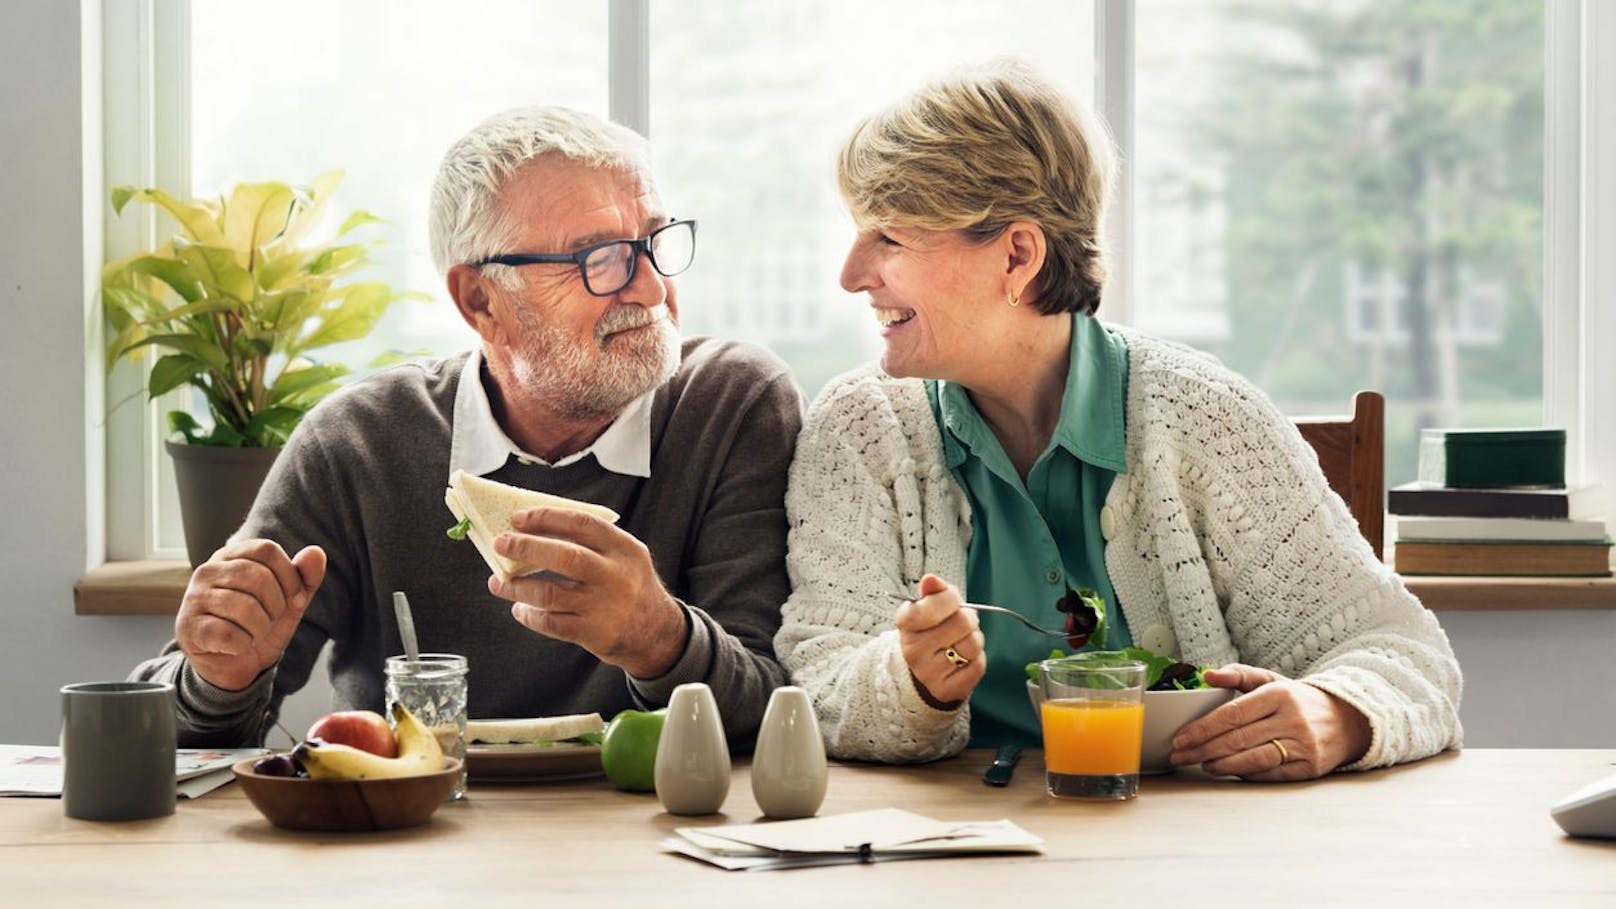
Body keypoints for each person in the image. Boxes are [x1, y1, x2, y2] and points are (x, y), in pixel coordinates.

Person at [775, 60, 1462, 780]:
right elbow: (816, 678)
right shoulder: (860, 429)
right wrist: (910, 681)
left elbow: (1402, 650)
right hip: (942, 859)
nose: (852, 274)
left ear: (1017, 254)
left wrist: (1339, 711)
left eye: (888, 237)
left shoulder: (1209, 419)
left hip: (1186, 854)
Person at [132, 106, 803, 748]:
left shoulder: (731, 405)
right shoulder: (360, 442)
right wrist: (218, 676)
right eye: (600, 259)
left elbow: (780, 717)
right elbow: (165, 736)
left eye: (654, 242)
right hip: (408, 839)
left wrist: (659, 637)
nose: (652, 289)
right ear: (480, 300)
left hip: (654, 841)